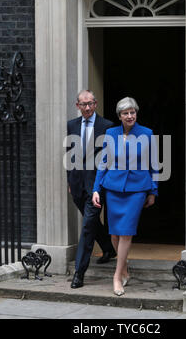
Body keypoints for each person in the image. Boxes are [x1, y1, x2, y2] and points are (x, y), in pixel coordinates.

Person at [92, 97, 158, 296]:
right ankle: (125, 268)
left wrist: (153, 191)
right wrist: (97, 189)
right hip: (113, 188)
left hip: (137, 189)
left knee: (126, 232)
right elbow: (103, 162)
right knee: (114, 234)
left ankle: (116, 276)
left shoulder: (147, 133)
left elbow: (154, 165)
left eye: (132, 112)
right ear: (119, 116)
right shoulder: (111, 133)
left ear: (136, 113)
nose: (130, 116)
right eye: (125, 113)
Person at [67, 90, 116, 289]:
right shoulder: (71, 125)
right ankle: (108, 248)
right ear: (77, 105)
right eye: (83, 104)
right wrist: (69, 181)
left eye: (90, 104)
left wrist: (104, 184)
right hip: (77, 183)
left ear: (95, 104)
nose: (87, 107)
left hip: (97, 184)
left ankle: (79, 272)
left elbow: (110, 158)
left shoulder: (107, 126)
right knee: (92, 220)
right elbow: (70, 153)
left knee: (87, 226)